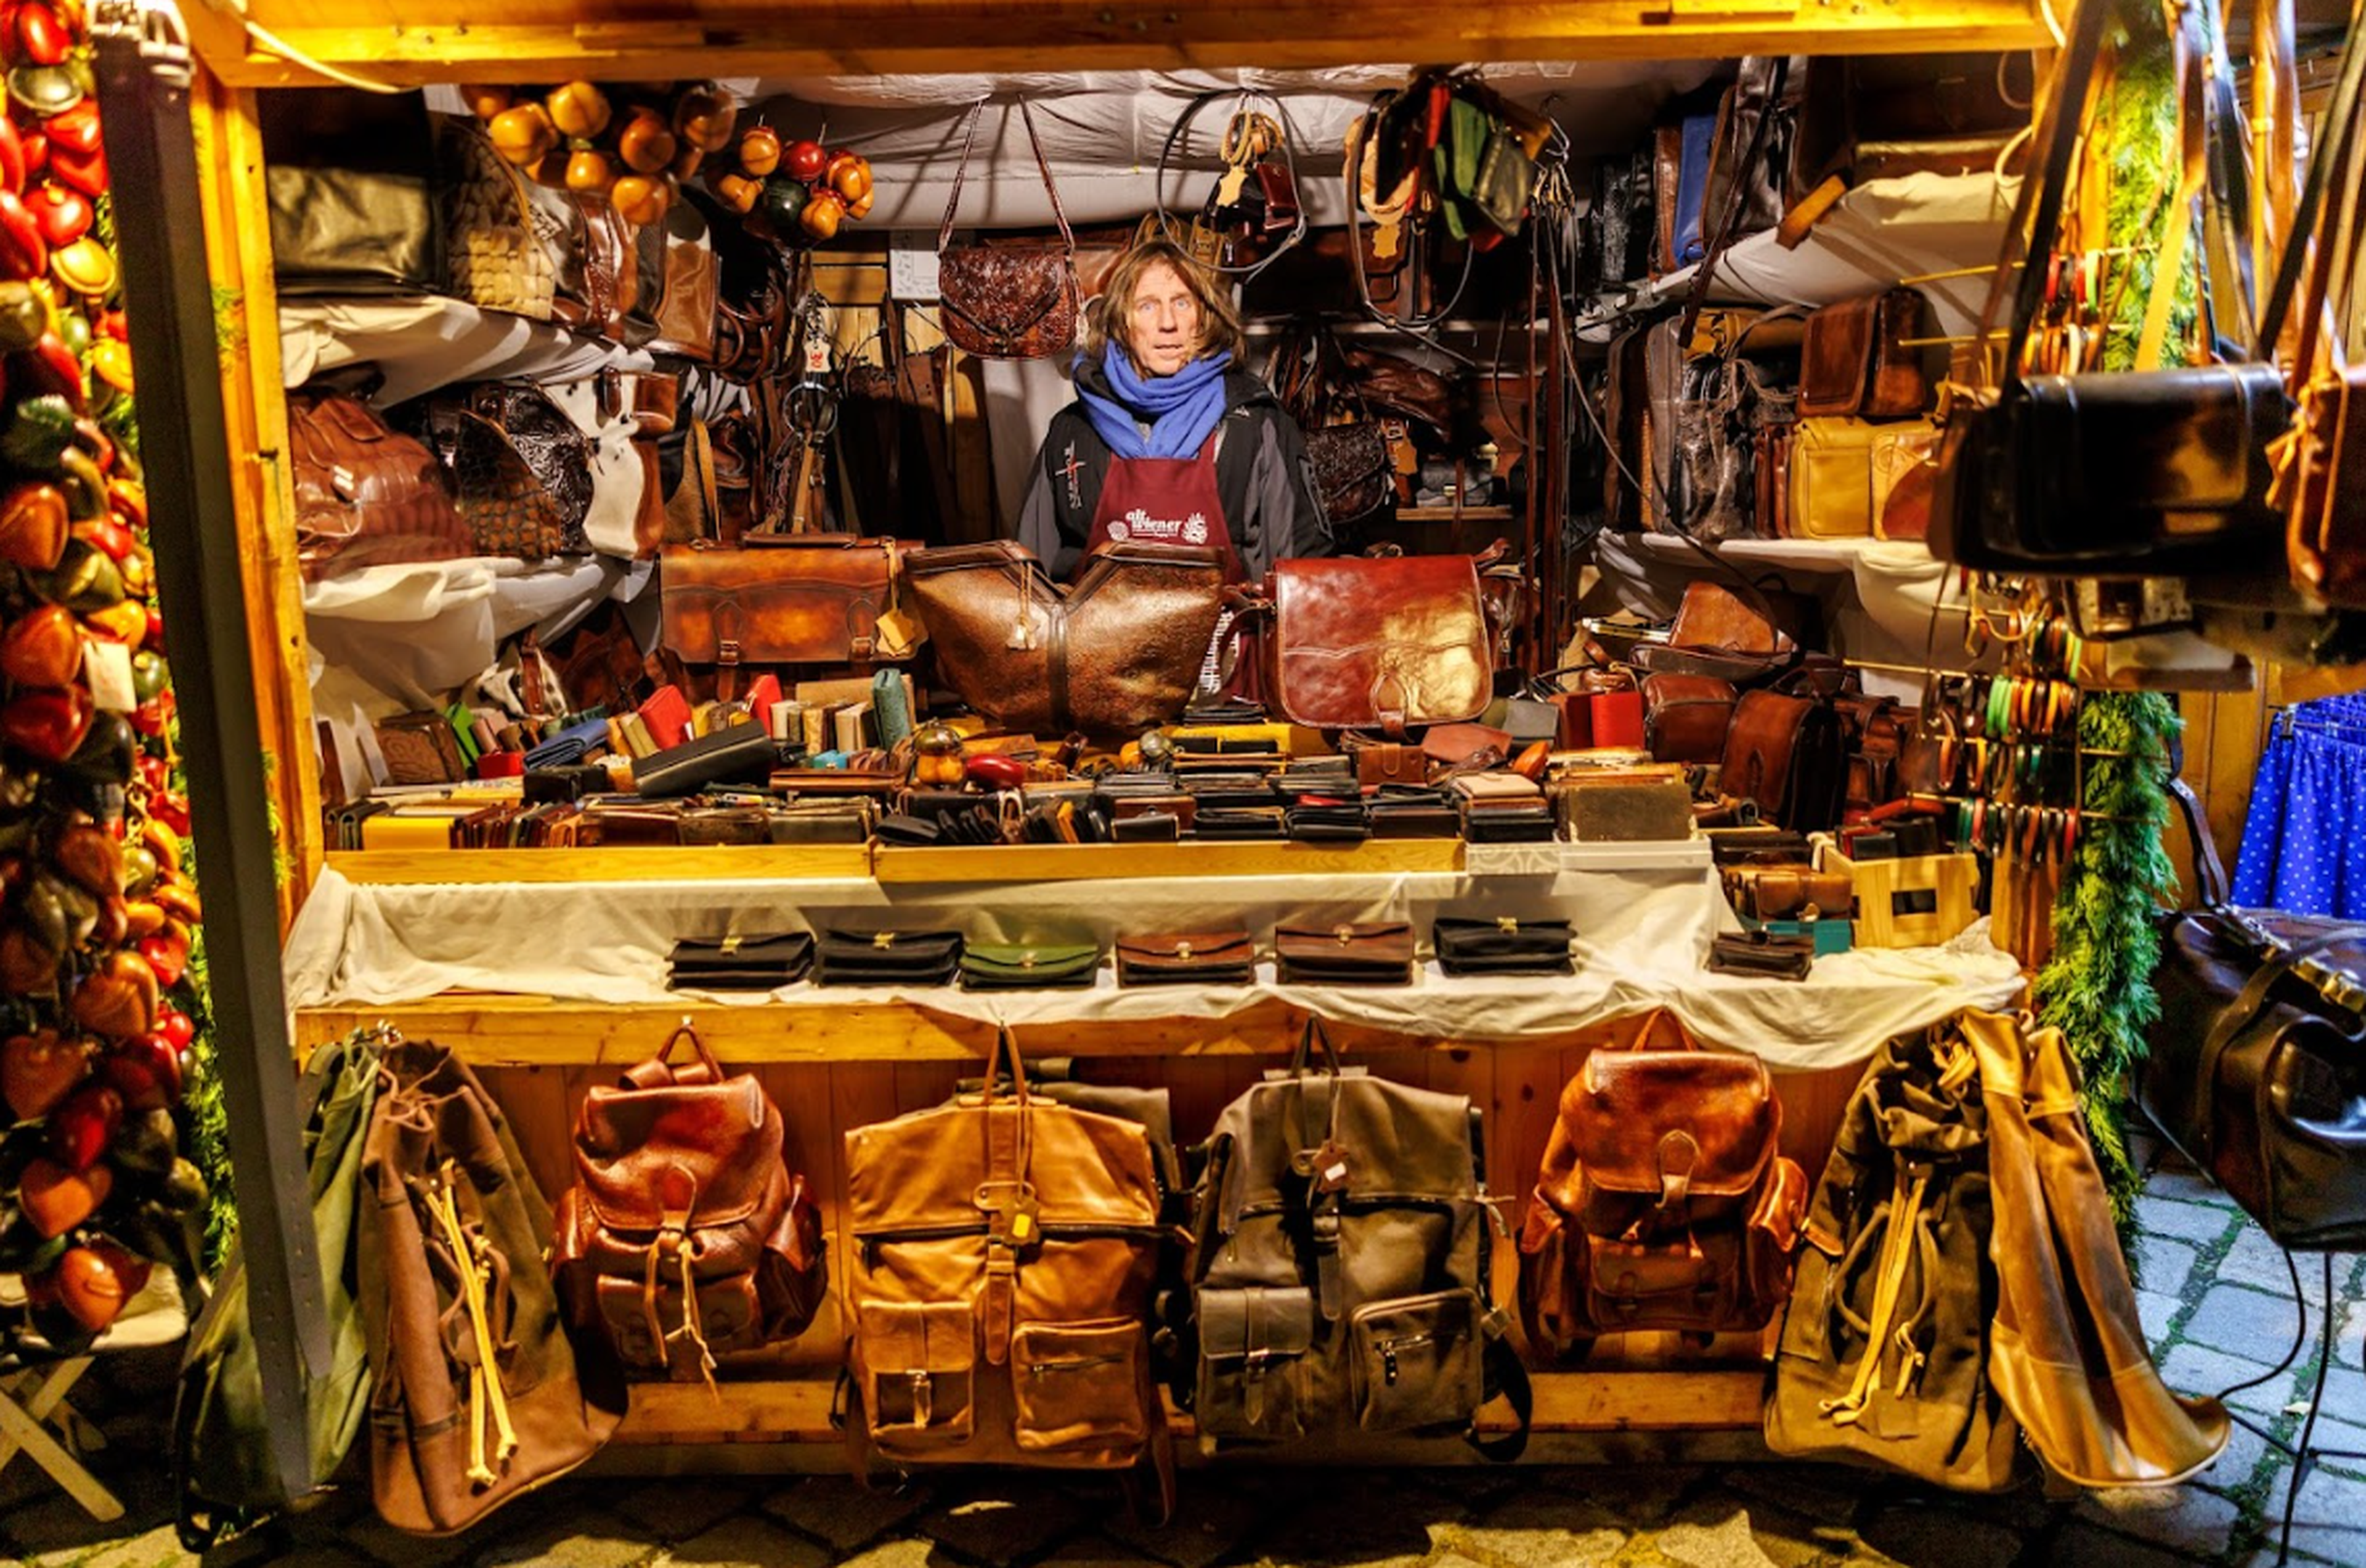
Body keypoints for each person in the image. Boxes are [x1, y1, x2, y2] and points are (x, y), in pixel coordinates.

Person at [1015, 238, 1328, 585]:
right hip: (1102, 638)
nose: (1168, 323)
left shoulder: (1256, 425)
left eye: (1182, 303)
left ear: (1205, 316)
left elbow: (1301, 578)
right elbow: (1030, 584)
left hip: (1223, 638)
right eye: (1147, 306)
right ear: (1122, 322)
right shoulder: (1072, 431)